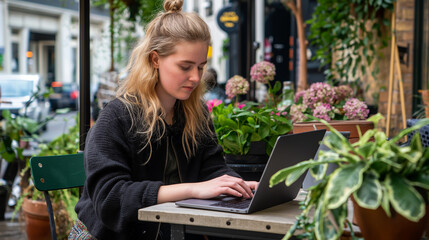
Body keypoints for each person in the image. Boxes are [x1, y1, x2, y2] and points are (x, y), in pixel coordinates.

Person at [69, 0, 258, 239]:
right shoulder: (116, 117)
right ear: (155, 60)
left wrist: (239, 186)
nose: (195, 77)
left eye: (200, 67)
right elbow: (111, 199)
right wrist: (192, 189)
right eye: (185, 66)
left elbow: (213, 168)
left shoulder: (195, 113)